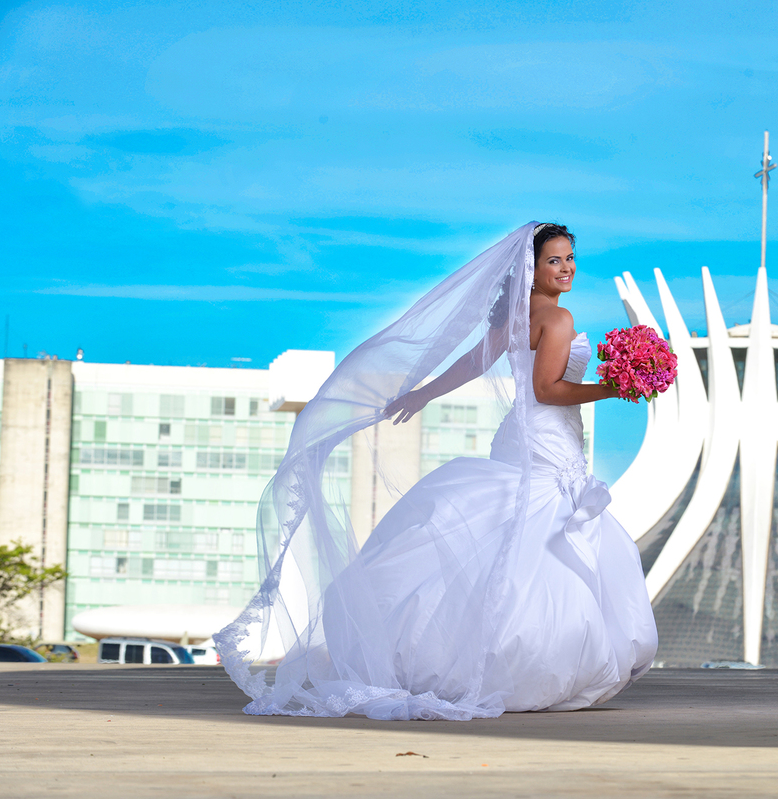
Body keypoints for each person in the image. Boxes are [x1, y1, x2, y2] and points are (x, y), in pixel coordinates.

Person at [215, 222, 658, 720]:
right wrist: (615, 387)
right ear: (529, 270)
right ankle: (527, 659)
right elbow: (548, 391)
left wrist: (423, 392)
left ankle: (448, 651)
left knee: (504, 533)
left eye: (570, 257)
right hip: (546, 437)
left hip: (524, 436)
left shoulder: (517, 318)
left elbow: (472, 363)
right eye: (554, 260)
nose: (567, 267)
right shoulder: (556, 318)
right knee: (539, 532)